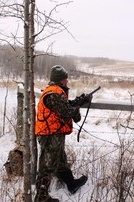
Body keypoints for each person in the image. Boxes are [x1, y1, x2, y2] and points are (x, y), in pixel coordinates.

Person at [34, 65, 92, 202]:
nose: (67, 81)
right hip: (49, 135)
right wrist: (79, 104)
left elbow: (63, 106)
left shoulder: (55, 91)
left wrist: (77, 102)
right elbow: (67, 112)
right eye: (65, 78)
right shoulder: (54, 94)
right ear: (61, 80)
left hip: (53, 133)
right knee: (47, 166)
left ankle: (71, 184)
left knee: (60, 160)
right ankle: (41, 197)